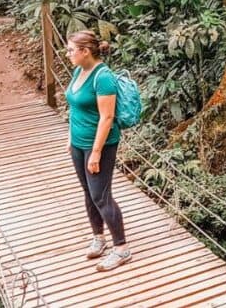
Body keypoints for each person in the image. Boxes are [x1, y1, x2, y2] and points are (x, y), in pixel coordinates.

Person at [64, 30, 132, 271]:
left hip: (100, 145)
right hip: (78, 143)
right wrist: (71, 138)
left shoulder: (103, 77)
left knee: (101, 196)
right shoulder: (78, 71)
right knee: (88, 192)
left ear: (85, 51)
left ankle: (122, 249)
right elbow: (75, 107)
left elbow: (107, 117)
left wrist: (95, 153)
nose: (68, 53)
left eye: (71, 49)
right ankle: (99, 237)